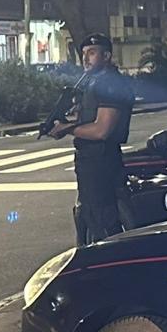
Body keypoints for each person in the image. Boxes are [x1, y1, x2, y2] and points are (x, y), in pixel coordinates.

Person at [49, 32, 134, 244]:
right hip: (91, 160)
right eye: (84, 53)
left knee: (103, 221)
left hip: (100, 161)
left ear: (106, 56)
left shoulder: (109, 84)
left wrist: (66, 128)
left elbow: (101, 130)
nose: (86, 58)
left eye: (92, 53)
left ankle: (109, 260)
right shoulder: (94, 82)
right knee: (88, 218)